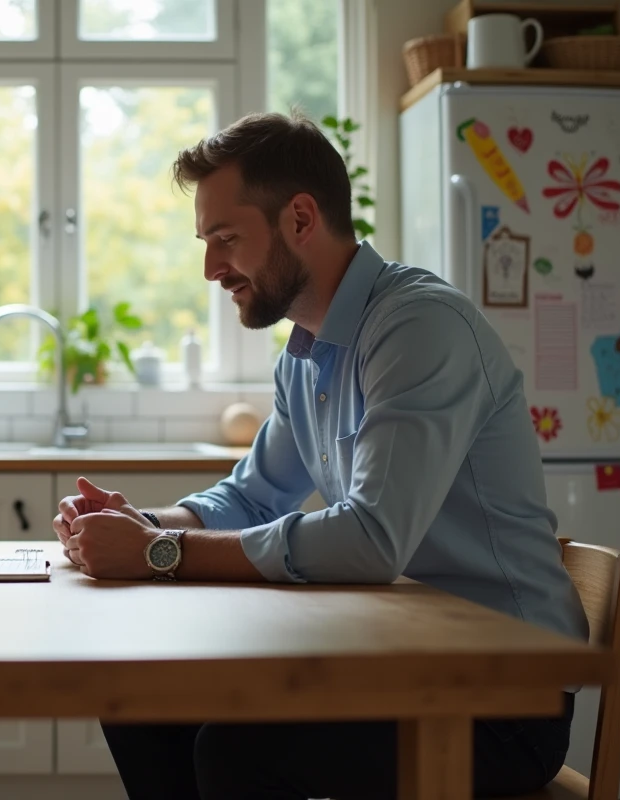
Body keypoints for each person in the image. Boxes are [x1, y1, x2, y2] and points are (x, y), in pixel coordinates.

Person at [53, 111, 589, 799]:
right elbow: (250, 495)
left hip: (502, 696)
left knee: (238, 752)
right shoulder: (306, 356)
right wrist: (147, 524)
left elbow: (371, 541)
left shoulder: (418, 327)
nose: (212, 269)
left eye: (225, 240)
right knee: (142, 704)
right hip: (394, 664)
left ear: (301, 219)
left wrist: (160, 555)